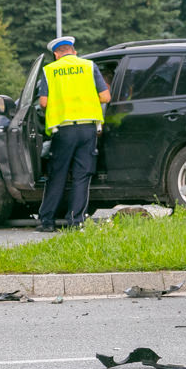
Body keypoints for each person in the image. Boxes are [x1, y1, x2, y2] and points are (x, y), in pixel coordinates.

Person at [36, 36, 111, 232]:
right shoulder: (89, 66)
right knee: (81, 176)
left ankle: (47, 222)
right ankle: (76, 222)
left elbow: (43, 102)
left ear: (56, 54)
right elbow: (105, 96)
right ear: (74, 51)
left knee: (57, 175)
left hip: (63, 130)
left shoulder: (49, 70)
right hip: (87, 129)